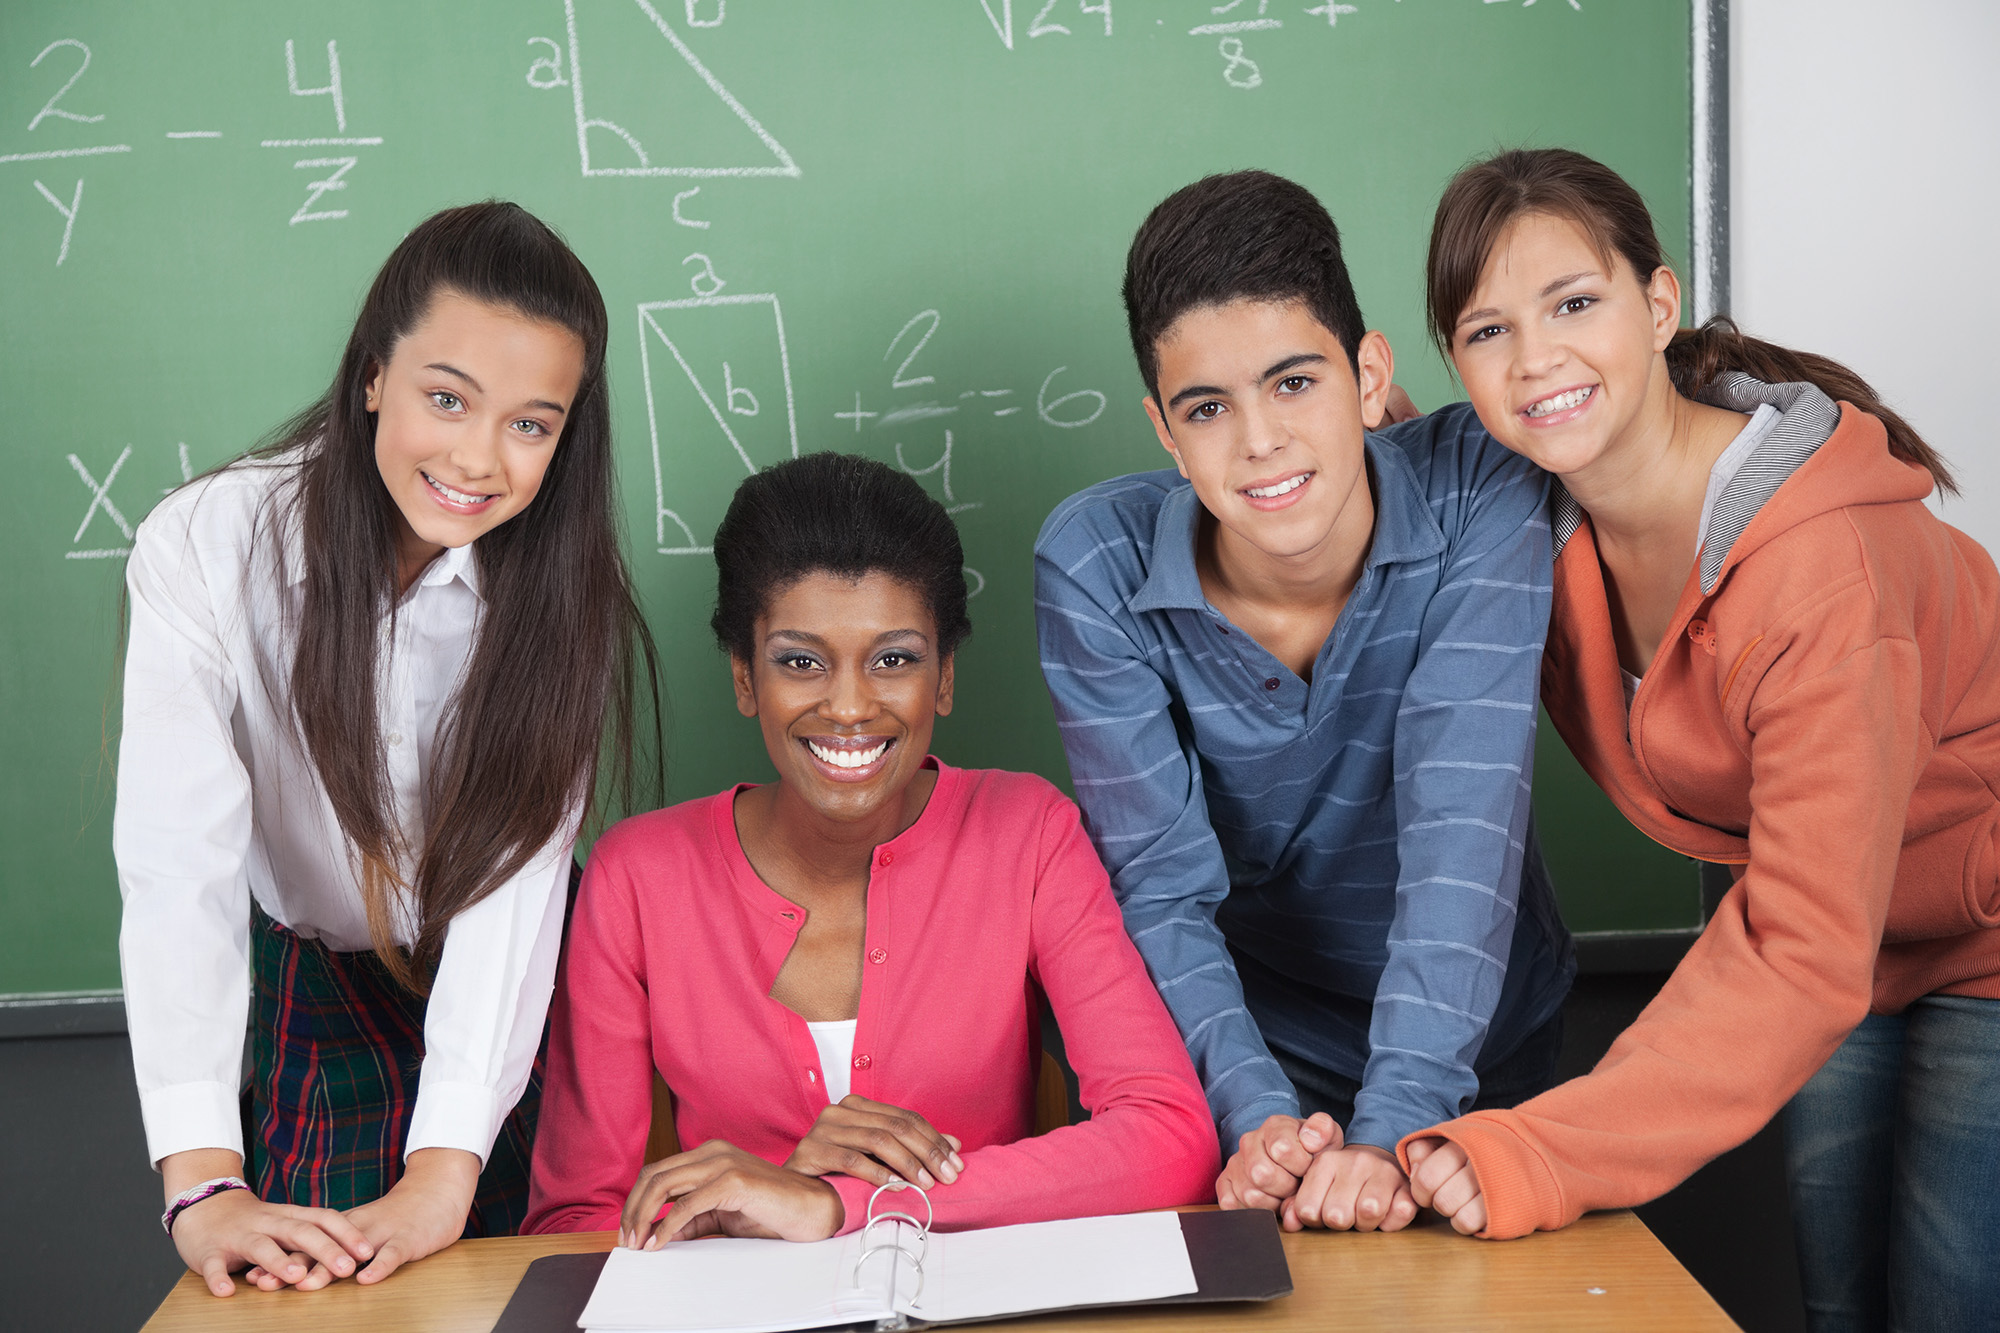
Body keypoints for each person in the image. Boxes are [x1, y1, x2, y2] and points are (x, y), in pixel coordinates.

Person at [1397, 146, 2000, 1328]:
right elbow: (1350, 492)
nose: (1535, 362)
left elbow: (1798, 946)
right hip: (1842, 942)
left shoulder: (1816, 570)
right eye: (1485, 332)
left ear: (1656, 303)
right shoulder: (1522, 516)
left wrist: (1543, 1149)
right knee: (1837, 1305)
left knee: (1944, 1304)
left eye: (1573, 304)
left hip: (1959, 940)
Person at [116, 202, 660, 1297]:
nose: (476, 457)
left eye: (530, 424)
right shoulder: (210, 546)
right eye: (446, 398)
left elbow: (517, 890)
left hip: (519, 981)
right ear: (373, 374)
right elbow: (181, 871)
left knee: (537, 1280)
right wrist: (203, 1179)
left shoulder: (555, 593)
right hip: (320, 969)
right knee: (323, 1283)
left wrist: (445, 1164)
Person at [1033, 170, 1574, 1236]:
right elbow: (1157, 885)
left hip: (1473, 1038)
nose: (1259, 442)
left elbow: (1459, 826)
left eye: (1292, 383)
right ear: (1163, 431)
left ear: (1368, 376)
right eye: (1206, 408)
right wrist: (1256, 1121)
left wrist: (1395, 1124)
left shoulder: (1479, 484)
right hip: (1242, 1048)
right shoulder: (1094, 564)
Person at [523, 452, 1216, 1245]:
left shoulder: (1026, 830)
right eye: (799, 661)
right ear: (745, 678)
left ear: (943, 677)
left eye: (894, 659)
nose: (849, 704)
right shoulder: (637, 877)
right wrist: (759, 1201)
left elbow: (1170, 1139)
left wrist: (840, 1203)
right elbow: (572, 1223)